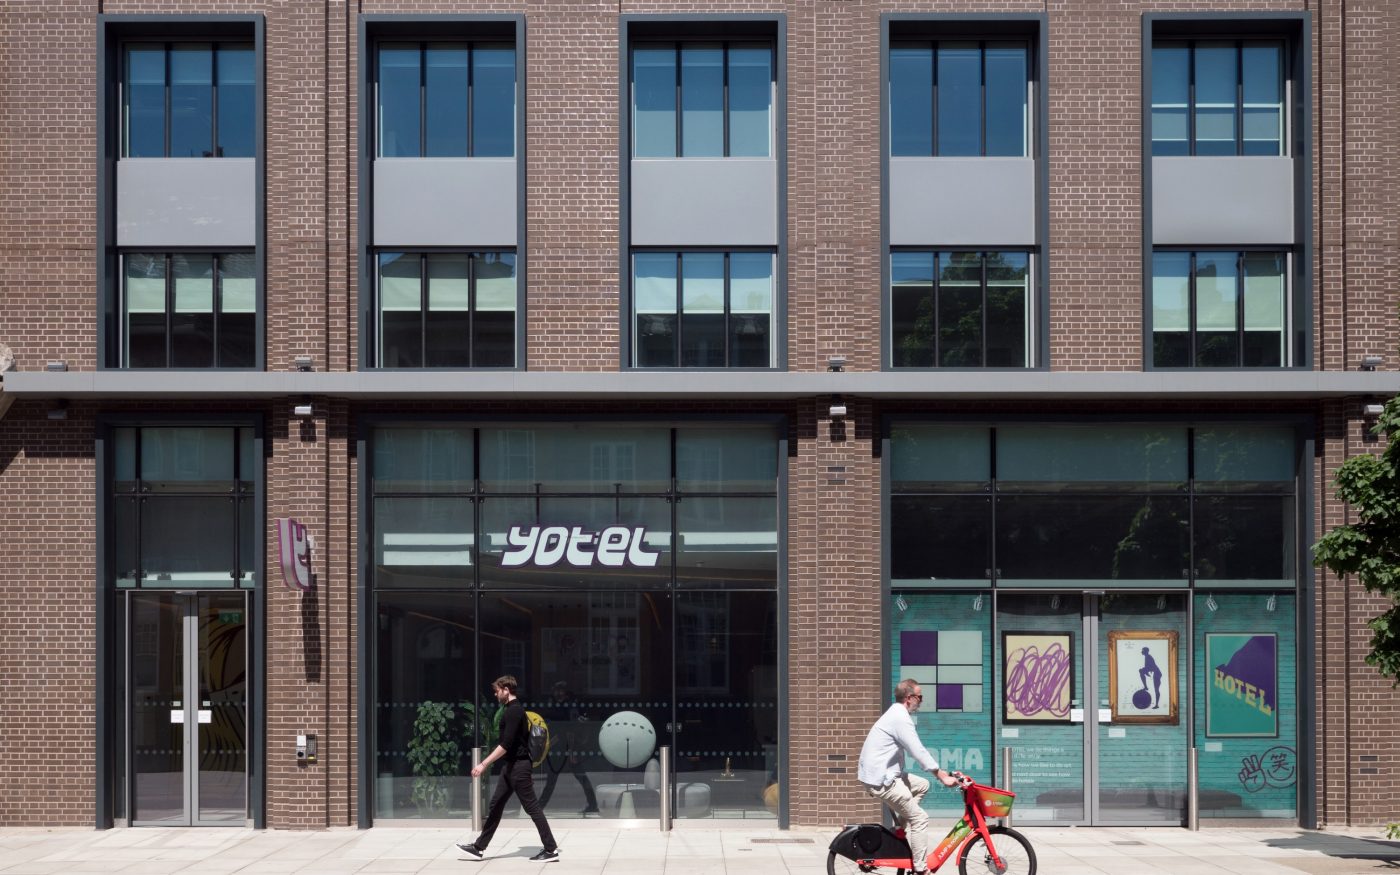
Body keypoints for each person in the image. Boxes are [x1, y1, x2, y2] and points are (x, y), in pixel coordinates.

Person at [858, 679, 958, 875]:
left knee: (922, 785)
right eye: (920, 697)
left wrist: (937, 774)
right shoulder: (900, 718)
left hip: (885, 774)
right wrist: (941, 775)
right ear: (909, 698)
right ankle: (920, 869)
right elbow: (917, 750)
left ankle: (904, 827)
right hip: (881, 780)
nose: (921, 701)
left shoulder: (896, 714)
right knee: (920, 818)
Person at [456, 676, 559, 863]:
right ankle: (478, 847)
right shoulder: (512, 710)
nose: (496, 695)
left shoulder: (514, 711)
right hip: (510, 767)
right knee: (496, 806)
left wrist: (483, 764)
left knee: (532, 808)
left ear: (506, 689)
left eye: (497, 691)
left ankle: (551, 849)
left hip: (519, 767)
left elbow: (505, 744)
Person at [537, 681, 599, 814]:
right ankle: (593, 805)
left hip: (567, 748)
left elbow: (571, 730)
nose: (558, 694)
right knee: (559, 779)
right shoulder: (558, 706)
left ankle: (538, 808)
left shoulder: (570, 707)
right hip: (561, 748)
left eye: (560, 691)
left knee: (565, 778)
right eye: (556, 691)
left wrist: (572, 751)